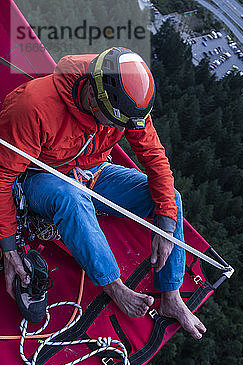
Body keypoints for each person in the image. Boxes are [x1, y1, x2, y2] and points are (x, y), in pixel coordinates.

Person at [0, 47, 206, 339]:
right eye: (115, 123)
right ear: (95, 101)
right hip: (39, 179)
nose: (121, 129)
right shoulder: (33, 107)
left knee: (168, 199)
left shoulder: (126, 104)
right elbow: (3, 176)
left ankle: (171, 297)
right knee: (71, 197)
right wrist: (9, 248)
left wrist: (166, 225)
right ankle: (115, 286)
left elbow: (154, 156)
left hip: (92, 172)